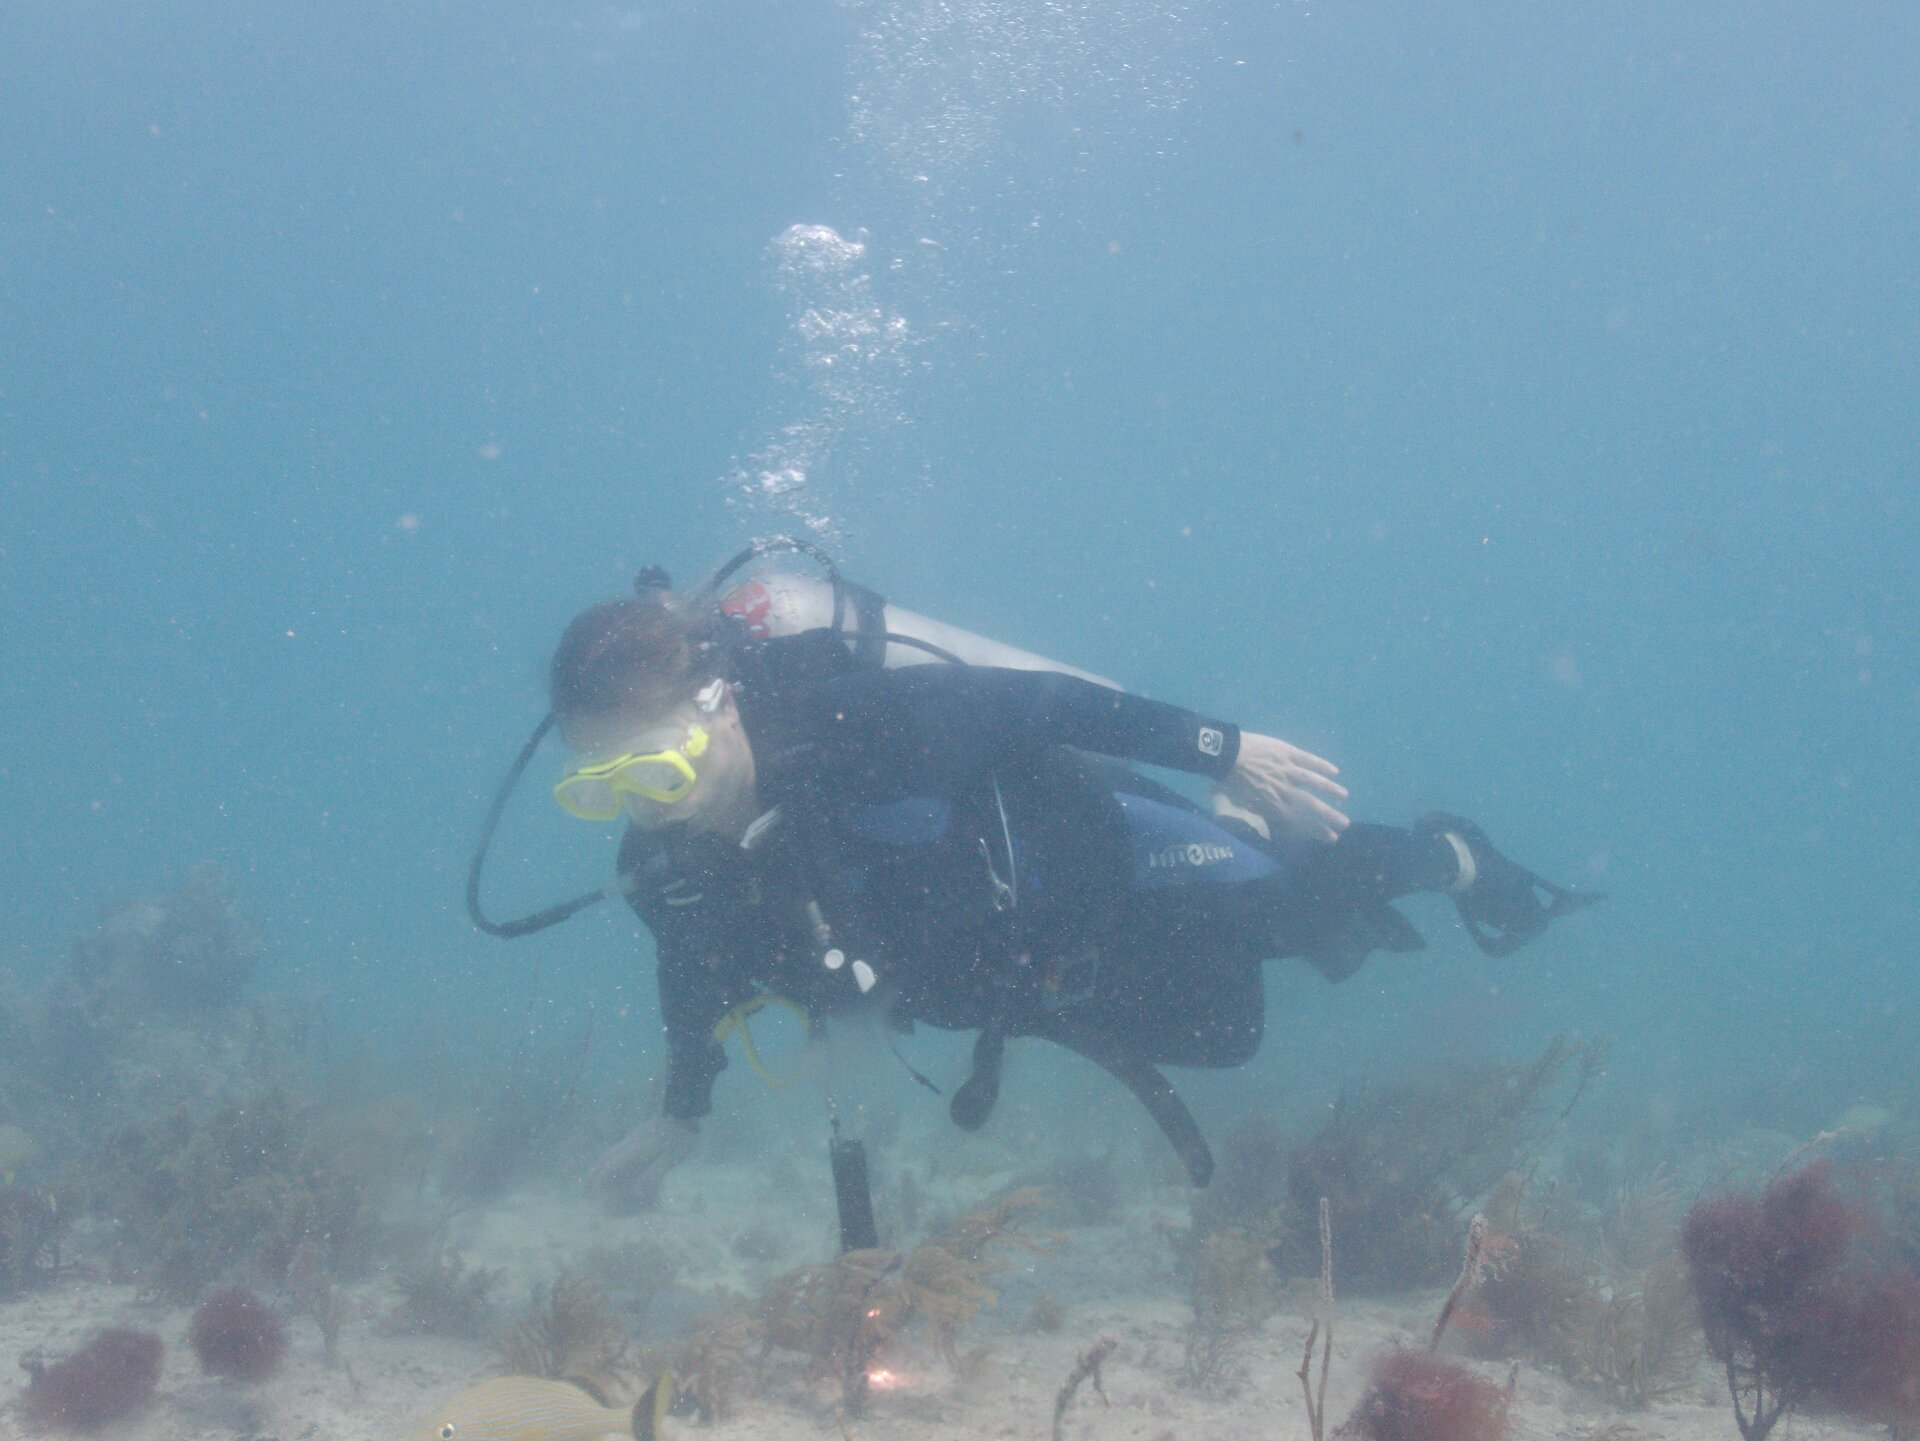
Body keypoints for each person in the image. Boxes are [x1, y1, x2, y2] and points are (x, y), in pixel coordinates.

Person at [539, 573, 1596, 1207]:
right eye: (603, 788)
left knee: (1302, 906)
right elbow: (696, 963)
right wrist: (681, 1116)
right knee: (1229, 1033)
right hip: (1017, 969)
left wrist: (1216, 750)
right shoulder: (675, 861)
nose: (649, 809)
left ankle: (1455, 858)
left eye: (660, 767)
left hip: (1105, 855)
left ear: (720, 705)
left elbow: (1040, 704)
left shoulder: (865, 730)